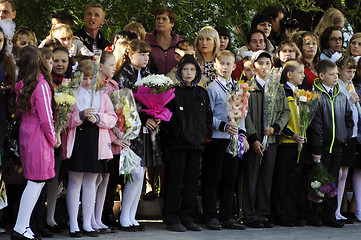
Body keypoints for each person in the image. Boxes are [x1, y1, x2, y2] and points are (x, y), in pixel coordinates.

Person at [10, 45, 60, 240]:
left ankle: (23, 226)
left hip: (26, 134)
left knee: (34, 182)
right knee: (36, 182)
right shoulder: (42, 85)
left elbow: (19, 112)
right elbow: (46, 119)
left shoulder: (22, 85)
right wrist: (54, 139)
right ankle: (20, 227)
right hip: (38, 137)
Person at [62, 59, 116, 237]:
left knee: (91, 183)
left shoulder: (102, 96)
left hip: (95, 142)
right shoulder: (71, 94)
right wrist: (81, 115)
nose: (87, 81)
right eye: (84, 77)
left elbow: (112, 118)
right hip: (77, 141)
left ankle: (87, 222)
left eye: (91, 78)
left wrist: (99, 118)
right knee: (75, 182)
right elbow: (64, 119)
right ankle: (73, 224)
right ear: (78, 77)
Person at [162, 54, 212, 232]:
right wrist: (175, 134)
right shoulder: (173, 93)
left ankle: (188, 216)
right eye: (185, 69)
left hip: (196, 144)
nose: (189, 73)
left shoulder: (202, 93)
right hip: (178, 145)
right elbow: (167, 118)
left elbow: (208, 116)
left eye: (192, 69)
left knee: (191, 182)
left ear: (197, 72)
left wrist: (205, 135)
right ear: (179, 72)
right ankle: (172, 217)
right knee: (175, 181)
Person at [242, 50, 290, 228]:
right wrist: (253, 137)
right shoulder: (248, 88)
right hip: (254, 140)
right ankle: (249, 214)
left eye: (267, 63)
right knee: (251, 176)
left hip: (271, 139)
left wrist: (276, 127)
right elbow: (244, 114)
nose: (264, 67)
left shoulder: (276, 88)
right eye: (260, 63)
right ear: (253, 66)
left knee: (266, 177)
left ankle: (262, 212)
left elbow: (285, 111)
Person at [202, 50, 248, 231]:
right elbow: (207, 115)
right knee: (213, 177)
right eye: (221, 63)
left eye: (229, 64)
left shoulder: (238, 87)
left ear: (234, 66)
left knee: (230, 178)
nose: (225, 67)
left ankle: (227, 215)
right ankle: (210, 215)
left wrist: (242, 134)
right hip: (216, 139)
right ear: (215, 65)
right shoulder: (211, 89)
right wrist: (223, 126)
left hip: (233, 140)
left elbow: (242, 115)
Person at [114, 39, 156, 231]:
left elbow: (154, 99)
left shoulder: (148, 74)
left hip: (145, 131)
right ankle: (124, 217)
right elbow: (122, 106)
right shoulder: (122, 76)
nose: (145, 58)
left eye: (147, 55)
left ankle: (131, 216)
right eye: (141, 54)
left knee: (140, 174)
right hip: (128, 131)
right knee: (134, 173)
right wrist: (143, 115)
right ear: (131, 55)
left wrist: (155, 114)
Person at [306, 59, 353, 228]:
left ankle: (329, 215)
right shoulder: (316, 96)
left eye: (336, 74)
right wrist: (317, 148)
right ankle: (313, 215)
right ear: (321, 75)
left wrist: (345, 136)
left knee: (332, 182)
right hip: (323, 148)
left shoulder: (341, 96)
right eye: (332, 74)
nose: (336, 77)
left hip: (338, 147)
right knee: (318, 182)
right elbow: (315, 125)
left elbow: (349, 118)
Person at [272, 59, 306, 227]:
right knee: (282, 180)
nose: (303, 75)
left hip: (299, 143)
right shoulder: (282, 91)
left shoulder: (301, 93)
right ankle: (279, 214)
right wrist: (291, 134)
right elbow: (280, 117)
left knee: (294, 181)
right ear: (289, 74)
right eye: (300, 72)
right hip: (286, 142)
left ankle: (290, 213)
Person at [91, 51, 117, 233]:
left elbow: (118, 115)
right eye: (111, 65)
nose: (115, 68)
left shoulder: (113, 86)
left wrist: (121, 136)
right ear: (101, 67)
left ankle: (98, 218)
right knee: (94, 178)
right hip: (99, 138)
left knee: (105, 178)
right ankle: (89, 217)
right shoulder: (93, 86)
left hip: (111, 140)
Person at [335, 56, 359, 222]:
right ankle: (335, 208)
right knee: (339, 173)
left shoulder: (349, 86)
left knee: (344, 173)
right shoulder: (338, 86)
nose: (351, 74)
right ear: (339, 70)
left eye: (353, 71)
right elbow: (338, 110)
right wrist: (350, 102)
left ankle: (338, 211)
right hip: (341, 134)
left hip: (352, 134)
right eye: (348, 71)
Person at [145, 7, 182, 75]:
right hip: (150, 84)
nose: (160, 21)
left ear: (172, 24)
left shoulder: (181, 45)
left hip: (177, 84)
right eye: (158, 19)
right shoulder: (146, 42)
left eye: (164, 19)